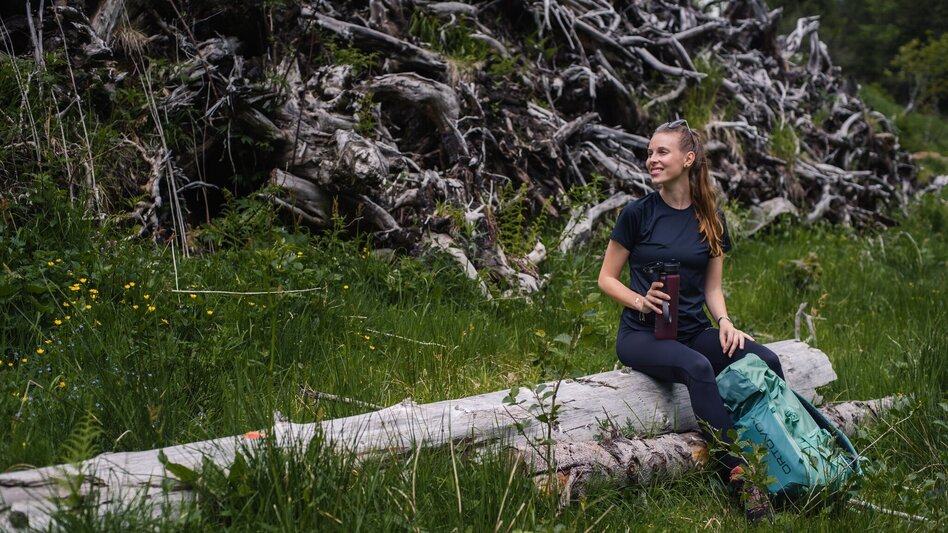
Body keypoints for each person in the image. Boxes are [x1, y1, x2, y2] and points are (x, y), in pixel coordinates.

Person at [597, 119, 782, 521]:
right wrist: (641, 301)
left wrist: (726, 322)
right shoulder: (638, 214)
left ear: (688, 158)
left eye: (662, 152)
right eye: (649, 152)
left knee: (765, 360)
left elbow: (713, 288)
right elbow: (606, 279)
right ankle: (742, 478)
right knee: (697, 368)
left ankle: (780, 458)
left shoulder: (710, 218)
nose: (652, 159)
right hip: (643, 334)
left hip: (694, 330)